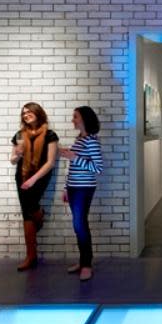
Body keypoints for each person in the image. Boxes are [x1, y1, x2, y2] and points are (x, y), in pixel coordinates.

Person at [10, 103, 58, 271]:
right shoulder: (18, 135)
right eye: (23, 113)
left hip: (41, 176)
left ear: (38, 113)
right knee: (27, 212)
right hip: (22, 176)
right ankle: (31, 256)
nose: (26, 115)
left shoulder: (50, 135)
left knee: (30, 208)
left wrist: (34, 179)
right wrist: (18, 154)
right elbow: (13, 160)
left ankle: (39, 214)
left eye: (29, 112)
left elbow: (51, 162)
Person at [59, 106, 103, 282]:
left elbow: (98, 168)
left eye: (75, 117)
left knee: (80, 225)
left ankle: (86, 264)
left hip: (84, 188)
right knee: (78, 225)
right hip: (74, 188)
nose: (73, 120)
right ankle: (83, 261)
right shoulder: (80, 139)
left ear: (84, 119)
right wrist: (65, 187)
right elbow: (73, 167)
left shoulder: (91, 141)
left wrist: (73, 157)